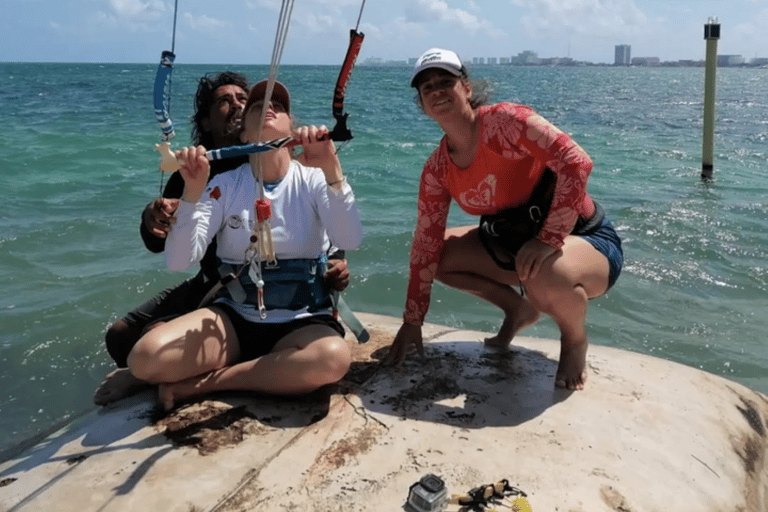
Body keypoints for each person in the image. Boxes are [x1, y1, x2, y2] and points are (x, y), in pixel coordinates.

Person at [93, 72, 350, 405]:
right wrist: (151, 218)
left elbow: (325, 220)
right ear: (206, 119)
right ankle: (173, 369)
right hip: (213, 285)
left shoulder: (276, 160)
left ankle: (207, 373)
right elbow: (159, 243)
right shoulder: (197, 168)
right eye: (224, 101)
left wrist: (336, 260)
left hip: (276, 292)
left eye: (244, 99)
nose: (237, 105)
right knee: (121, 338)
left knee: (152, 337)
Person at [383, 48, 622, 390]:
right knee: (437, 257)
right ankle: (518, 310)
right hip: (514, 246)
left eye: (445, 81)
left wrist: (548, 239)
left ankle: (573, 341)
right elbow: (425, 242)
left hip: (587, 240)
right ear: (421, 105)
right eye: (427, 88)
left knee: (548, 273)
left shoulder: (506, 122)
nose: (437, 90)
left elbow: (576, 162)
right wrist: (413, 320)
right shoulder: (437, 169)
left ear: (465, 88)